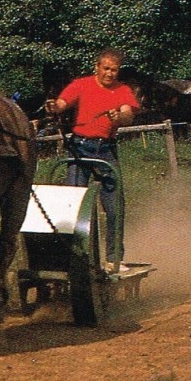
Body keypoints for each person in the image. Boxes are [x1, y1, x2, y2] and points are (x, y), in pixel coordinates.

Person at [44, 48, 139, 273]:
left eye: (114, 70)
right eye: (105, 68)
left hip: (106, 150)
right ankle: (73, 258)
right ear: (96, 67)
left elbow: (128, 113)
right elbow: (62, 103)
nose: (109, 74)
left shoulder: (123, 90)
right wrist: (53, 106)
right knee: (73, 204)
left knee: (115, 206)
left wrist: (120, 117)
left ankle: (114, 259)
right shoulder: (81, 84)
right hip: (80, 148)